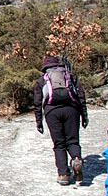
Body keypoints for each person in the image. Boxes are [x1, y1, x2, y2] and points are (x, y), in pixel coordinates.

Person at [33, 56, 88, 186]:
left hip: (52, 112)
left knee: (59, 144)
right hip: (71, 110)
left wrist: (39, 122)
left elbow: (37, 103)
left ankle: (63, 174)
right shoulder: (70, 77)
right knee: (73, 140)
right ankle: (76, 158)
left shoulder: (42, 81)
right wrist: (84, 116)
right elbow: (81, 96)